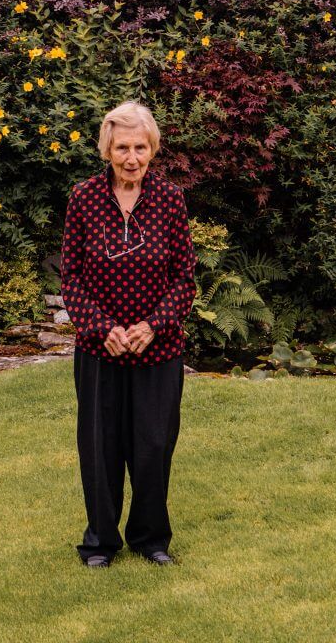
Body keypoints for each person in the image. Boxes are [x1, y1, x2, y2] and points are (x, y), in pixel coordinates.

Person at [60, 99, 197, 568]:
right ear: (107, 149)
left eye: (140, 147)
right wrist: (102, 329)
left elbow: (185, 277)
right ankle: (99, 541)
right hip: (101, 350)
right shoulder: (83, 198)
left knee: (154, 444)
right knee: (101, 448)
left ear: (152, 149)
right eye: (123, 147)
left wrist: (153, 326)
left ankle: (150, 538)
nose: (132, 157)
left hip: (158, 349)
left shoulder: (170, 199)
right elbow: (71, 278)